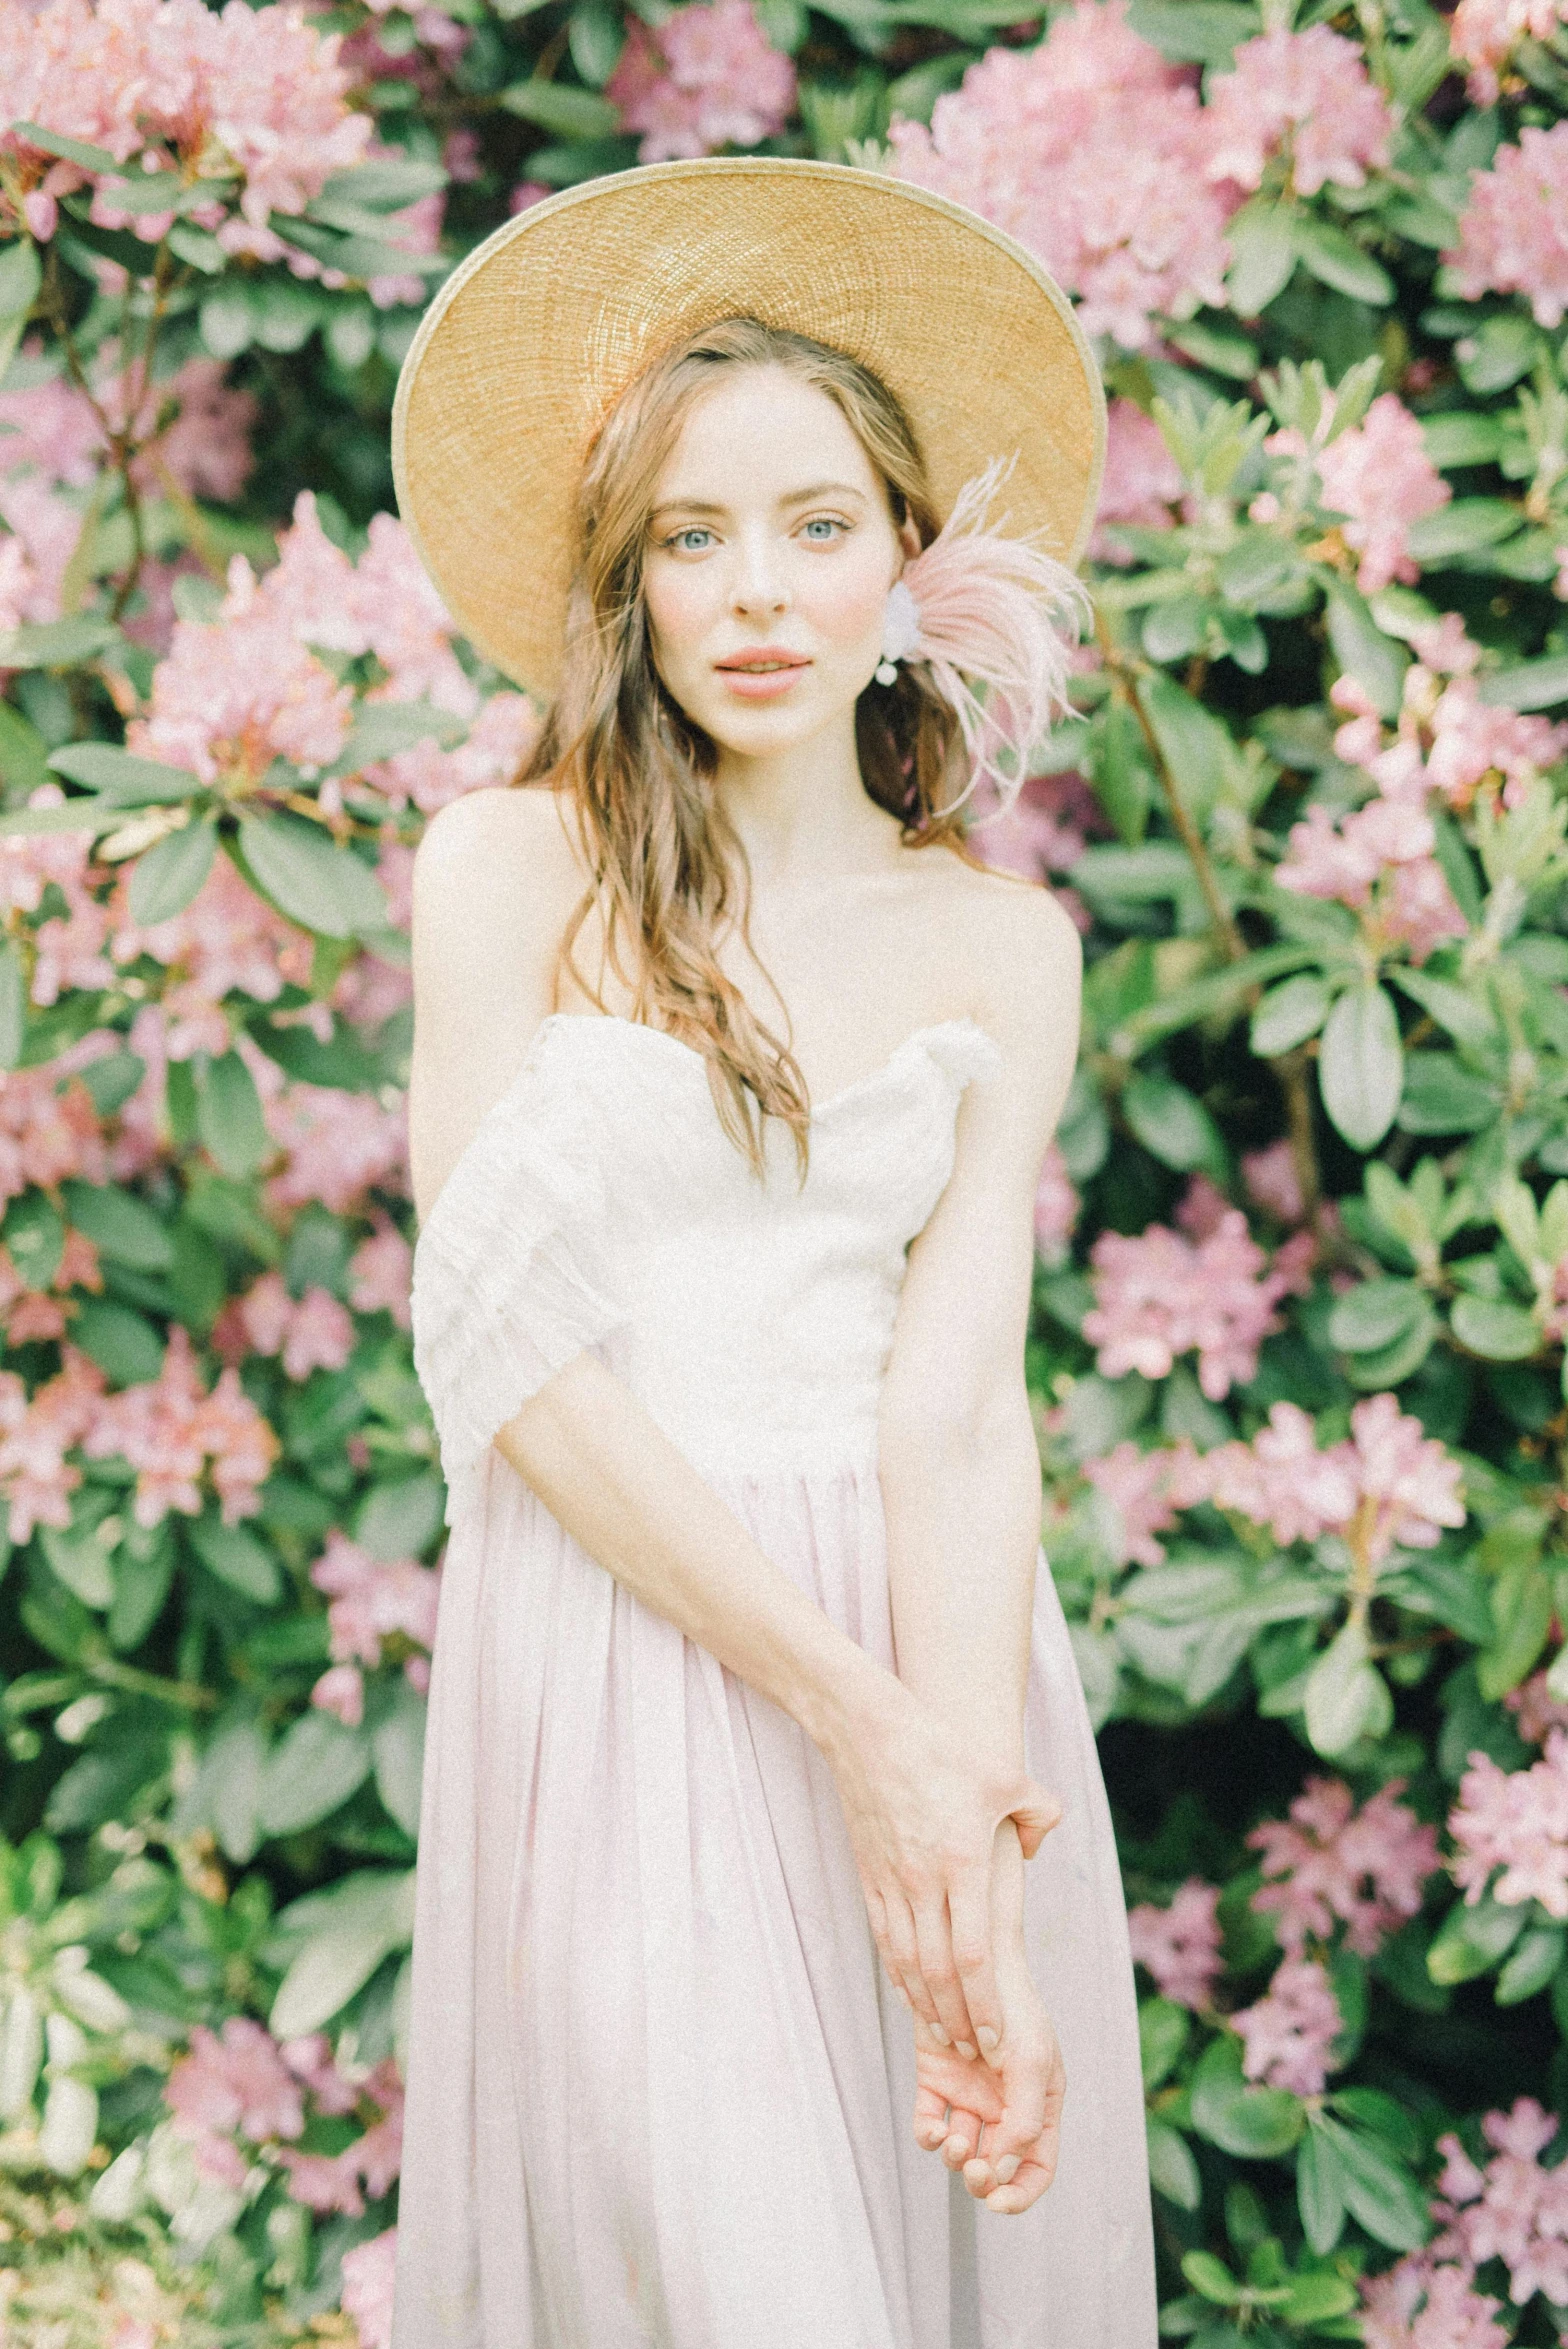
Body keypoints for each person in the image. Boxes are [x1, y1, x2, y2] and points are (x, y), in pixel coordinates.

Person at [391, 157, 1156, 2349]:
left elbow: (950, 1409)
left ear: (907, 557)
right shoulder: (505, 872)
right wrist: (852, 1720)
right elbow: (509, 1353)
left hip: (926, 1675)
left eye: (817, 524)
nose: (756, 592)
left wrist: (964, 1820)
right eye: (689, 538)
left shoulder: (1001, 946)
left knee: (921, 2259)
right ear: (623, 584)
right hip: (632, 1647)